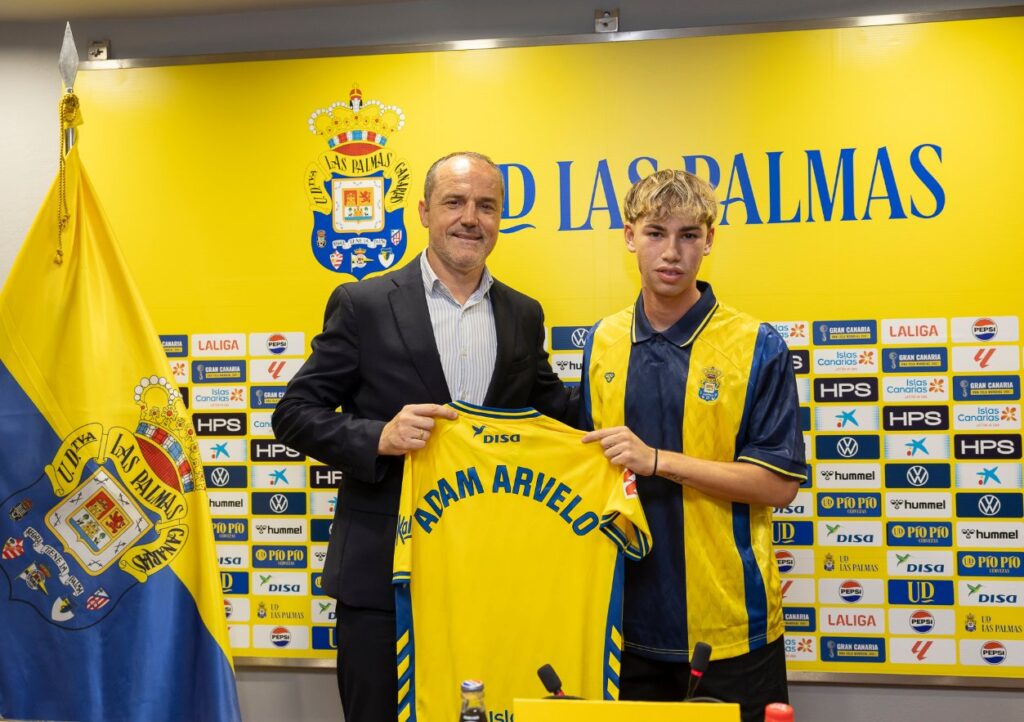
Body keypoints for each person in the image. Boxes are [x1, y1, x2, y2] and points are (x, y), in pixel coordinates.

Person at [271, 151, 576, 722]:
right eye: (455, 202)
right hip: (382, 579)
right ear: (423, 211)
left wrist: (628, 388)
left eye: (486, 206)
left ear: (500, 219)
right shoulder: (362, 304)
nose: (471, 218)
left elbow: (554, 414)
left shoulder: (523, 314)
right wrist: (377, 436)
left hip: (487, 573)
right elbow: (293, 413)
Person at [580, 169, 806, 722]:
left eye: (688, 235)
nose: (672, 253)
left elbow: (778, 485)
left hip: (729, 630)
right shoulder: (602, 341)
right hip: (622, 627)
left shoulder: (756, 345)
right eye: (656, 232)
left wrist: (657, 460)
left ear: (710, 240)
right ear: (629, 236)